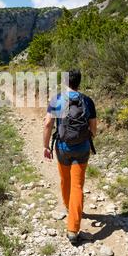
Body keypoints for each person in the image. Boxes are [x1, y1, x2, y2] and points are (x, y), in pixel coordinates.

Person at [43, 69, 97, 245]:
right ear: (79, 82)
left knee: (65, 179)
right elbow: (93, 126)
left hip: (63, 147)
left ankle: (68, 205)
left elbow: (48, 124)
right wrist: (89, 137)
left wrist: (45, 146)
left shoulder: (57, 99)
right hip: (82, 148)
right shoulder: (87, 101)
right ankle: (73, 230)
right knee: (78, 185)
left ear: (65, 82)